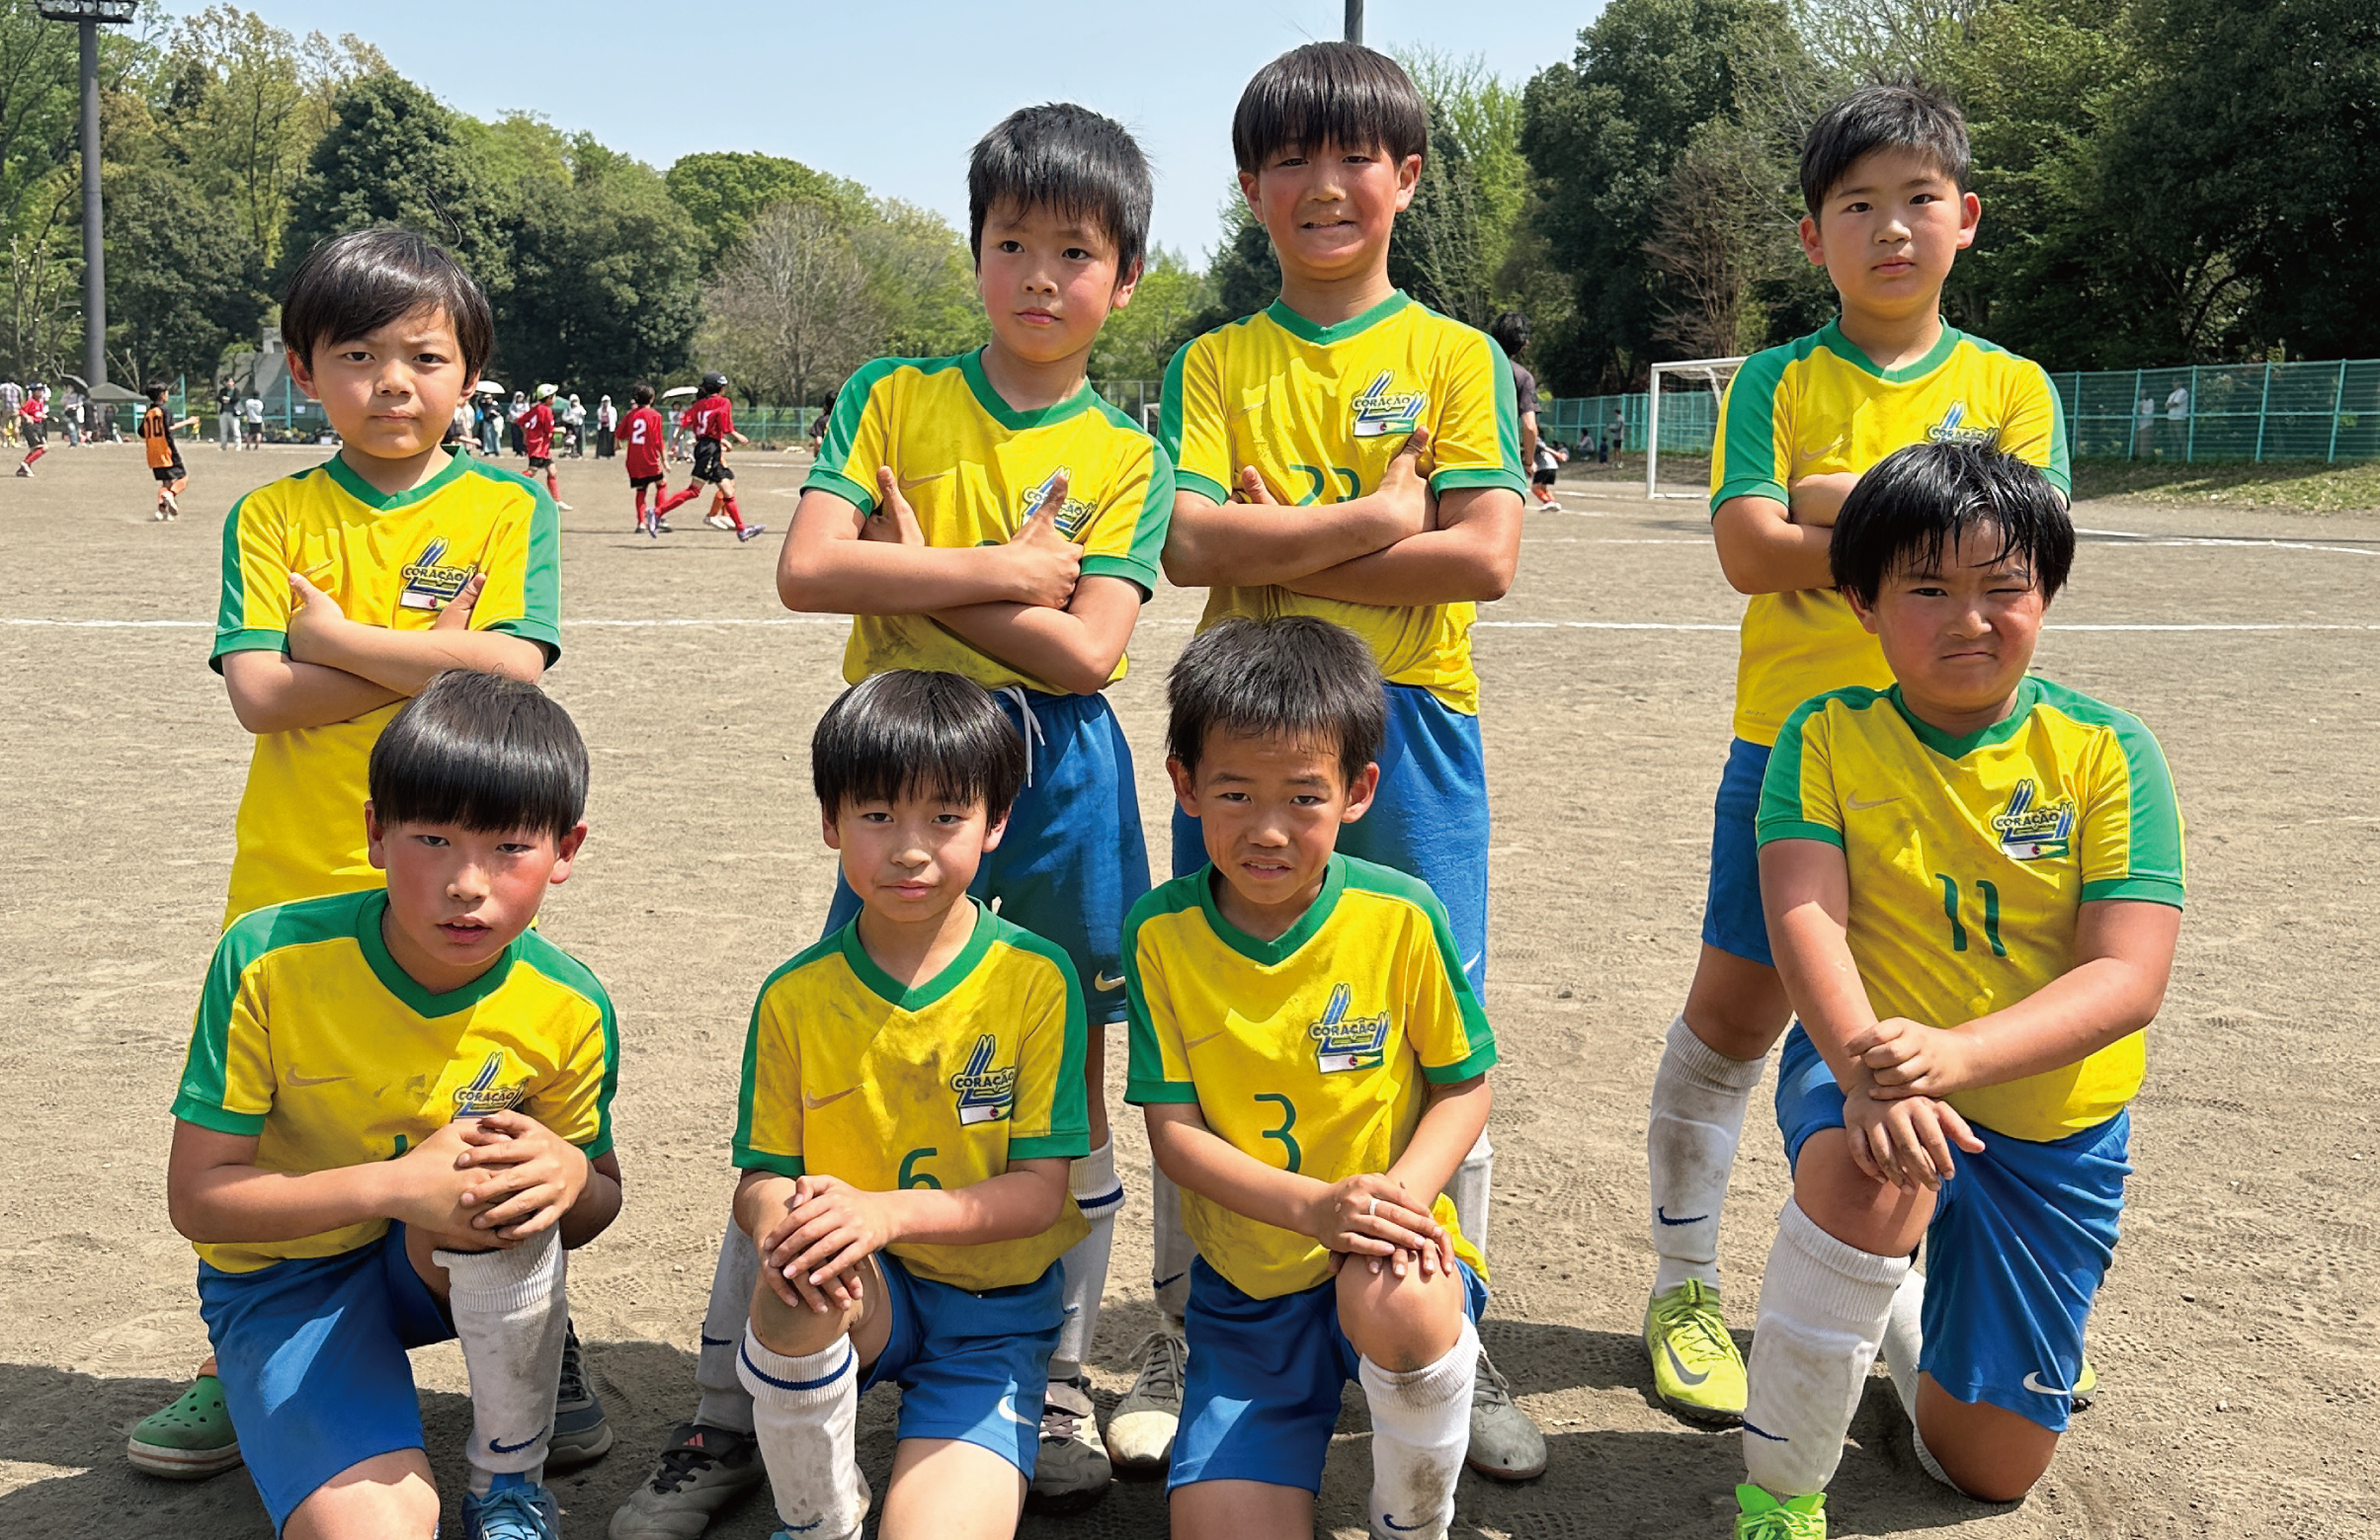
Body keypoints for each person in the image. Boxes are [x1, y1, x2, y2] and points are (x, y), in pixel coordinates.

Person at [610, 103, 1168, 1538]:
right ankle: (729, 1407)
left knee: (1070, 1091)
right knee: (829, 1072)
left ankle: (1042, 1380)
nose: (1039, 275)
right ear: (973, 251)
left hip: (1056, 790)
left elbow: (1088, 654)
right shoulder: (891, 393)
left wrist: (909, 570)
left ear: (1125, 275)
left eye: (1076, 251)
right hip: (906, 768)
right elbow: (807, 568)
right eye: (1011, 244)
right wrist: (1000, 568)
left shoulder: (1126, 451)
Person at [125, 228, 606, 1487]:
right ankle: (249, 1346)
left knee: (487, 1106)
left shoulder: (509, 505)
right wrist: (427, 650)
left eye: (424, 356)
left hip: (463, 870)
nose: (392, 382)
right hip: (299, 869)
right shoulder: (273, 512)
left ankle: (532, 1331)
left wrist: (340, 633)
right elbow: (262, 697)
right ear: (302, 367)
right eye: (356, 355)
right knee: (281, 1122)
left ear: (470, 372)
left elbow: (517, 669)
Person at [1640, 81, 2072, 1431]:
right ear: (1813, 235)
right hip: (1791, 752)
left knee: (1947, 1032)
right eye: (1856, 207)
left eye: (1917, 200)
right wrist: (1910, 514)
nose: (1890, 229)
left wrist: (1834, 504)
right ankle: (1681, 1284)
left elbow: (2021, 556)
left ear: (1967, 219)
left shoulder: (2012, 385)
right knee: (1735, 1011)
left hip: (1960, 767)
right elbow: (1741, 550)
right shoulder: (1775, 379)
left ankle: (1935, 1300)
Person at [1157, 41, 1539, 1482]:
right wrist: (1381, 513)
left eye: (1356, 157)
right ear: (1251, 188)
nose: (1326, 186)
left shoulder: (1454, 358)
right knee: (1207, 1016)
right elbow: (1191, 541)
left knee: (1442, 1022)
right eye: (1291, 162)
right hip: (1248, 734)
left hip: (1412, 731)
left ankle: (1450, 1321)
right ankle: (1189, 1316)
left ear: (1408, 176)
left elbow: (1485, 552)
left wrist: (1295, 532)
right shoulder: (1216, 359)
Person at [1734, 441, 2182, 1538]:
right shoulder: (1826, 735)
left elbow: (2128, 976)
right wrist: (1872, 1071)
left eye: (2003, 587)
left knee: (1986, 1470)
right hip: (1868, 1065)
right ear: (1863, 601)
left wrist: (1958, 1056)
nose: (1969, 617)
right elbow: (1806, 920)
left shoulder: (2109, 752)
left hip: (2050, 1123)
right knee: (1875, 1170)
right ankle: (1778, 1494)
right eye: (1928, 587)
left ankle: (1899, 1309)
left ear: (2047, 594)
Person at [166, 669, 625, 1540]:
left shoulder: (568, 1005)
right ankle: (259, 1375)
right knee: (375, 1528)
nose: (466, 882)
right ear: (375, 832)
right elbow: (198, 1199)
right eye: (434, 839)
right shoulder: (266, 959)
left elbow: (597, 1199)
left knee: (504, 1183)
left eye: (508, 848)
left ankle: (509, 1477)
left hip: (438, 1267)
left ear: (566, 850)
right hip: (282, 1279)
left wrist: (567, 1175)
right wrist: (392, 1186)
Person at [1128, 614, 1496, 1540]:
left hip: (1384, 1250)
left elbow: (1463, 1087)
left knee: (1399, 1298)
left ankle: (1414, 1518)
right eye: (1233, 793)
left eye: (1302, 797)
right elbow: (1174, 1136)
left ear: (1357, 791)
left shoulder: (1401, 915)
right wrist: (1311, 1209)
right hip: (1247, 1292)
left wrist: (1389, 1205)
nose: (1266, 830)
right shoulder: (1161, 936)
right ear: (1183, 784)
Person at [726, 670, 1091, 1540]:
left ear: (996, 822)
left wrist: (880, 1212)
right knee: (793, 1284)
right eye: (878, 814)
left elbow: (1039, 1192)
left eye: (946, 817)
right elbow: (760, 1179)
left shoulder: (1036, 980)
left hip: (991, 1320)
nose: (910, 848)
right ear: (829, 821)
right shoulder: (794, 995)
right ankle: (819, 1517)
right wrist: (797, 1224)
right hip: (861, 1289)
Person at [651, 372, 761, 540]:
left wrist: (674, 444)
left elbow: (683, 424)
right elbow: (726, 425)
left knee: (727, 489)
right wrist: (736, 435)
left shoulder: (698, 405)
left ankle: (741, 529)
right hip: (709, 448)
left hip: (707, 447)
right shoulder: (724, 402)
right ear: (722, 388)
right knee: (694, 490)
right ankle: (657, 512)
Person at [1489, 311, 1560, 512]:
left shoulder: (1468, 365)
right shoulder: (1522, 377)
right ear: (1524, 344)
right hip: (1499, 460)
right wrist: (1528, 462)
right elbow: (1529, 426)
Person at [621, 382, 672, 537]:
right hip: (649, 457)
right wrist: (664, 460)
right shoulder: (655, 416)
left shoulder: (630, 415)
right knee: (661, 484)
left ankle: (641, 523)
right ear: (652, 398)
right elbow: (658, 441)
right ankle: (657, 515)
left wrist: (617, 445)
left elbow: (619, 434)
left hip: (634, 459)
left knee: (641, 490)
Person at [141, 382, 198, 520]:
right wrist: (188, 422)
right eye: (166, 393)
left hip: (152, 452)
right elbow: (169, 428)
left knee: (166, 482)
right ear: (162, 395)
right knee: (183, 478)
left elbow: (142, 432)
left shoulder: (149, 413)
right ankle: (170, 495)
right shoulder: (164, 411)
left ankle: (161, 511)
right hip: (166, 449)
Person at [517, 383, 571, 510]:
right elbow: (549, 430)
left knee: (552, 471)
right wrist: (561, 430)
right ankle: (515, 484)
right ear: (548, 398)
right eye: (553, 396)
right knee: (531, 471)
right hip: (539, 446)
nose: (555, 398)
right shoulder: (546, 410)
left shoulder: (535, 408)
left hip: (541, 446)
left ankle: (557, 501)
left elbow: (520, 421)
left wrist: (526, 435)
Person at [14, 383, 49, 476]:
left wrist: (48, 418)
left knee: (35, 449)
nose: (40, 392)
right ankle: (26, 463)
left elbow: (38, 413)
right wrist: (27, 417)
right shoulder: (31, 401)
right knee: (43, 448)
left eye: (41, 390)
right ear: (33, 392)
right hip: (31, 427)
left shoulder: (40, 402)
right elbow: (21, 411)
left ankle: (22, 469)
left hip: (38, 426)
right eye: (38, 390)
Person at [2163, 380, 2190, 459]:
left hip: (2179, 418)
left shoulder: (2183, 392)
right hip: (2170, 418)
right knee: (2173, 439)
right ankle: (2175, 458)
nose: (2174, 384)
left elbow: (2175, 403)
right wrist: (2170, 405)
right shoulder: (2172, 394)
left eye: (2176, 381)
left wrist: (2170, 405)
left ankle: (2185, 457)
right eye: (2173, 382)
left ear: (2180, 382)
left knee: (2181, 439)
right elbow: (2166, 406)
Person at [565, 392, 587, 457]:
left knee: (580, 439)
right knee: (572, 439)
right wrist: (569, 418)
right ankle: (573, 452)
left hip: (580, 425)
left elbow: (584, 413)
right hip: (572, 426)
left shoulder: (580, 407)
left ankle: (580, 452)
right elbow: (564, 417)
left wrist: (579, 408)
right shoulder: (568, 409)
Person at [596, 393, 617, 458]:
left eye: (606, 401)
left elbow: (615, 418)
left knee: (609, 441)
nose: (605, 403)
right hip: (602, 427)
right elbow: (599, 418)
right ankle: (600, 454)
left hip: (610, 427)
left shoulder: (612, 409)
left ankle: (609, 454)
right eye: (604, 402)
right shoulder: (599, 410)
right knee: (601, 441)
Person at [0, 377, 20, 446]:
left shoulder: (2, 387)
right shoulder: (18, 388)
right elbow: (20, 398)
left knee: (3, 426)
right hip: (15, 409)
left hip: (5, 408)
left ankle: (4, 442)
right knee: (16, 426)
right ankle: (16, 442)